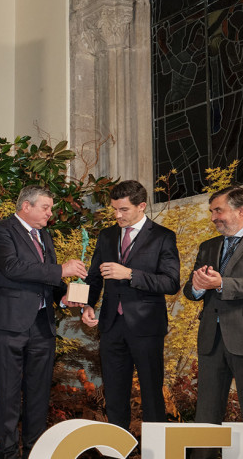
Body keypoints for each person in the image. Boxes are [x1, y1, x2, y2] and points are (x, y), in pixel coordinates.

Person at [0, 185, 86, 459]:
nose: (50, 213)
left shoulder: (44, 236)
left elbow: (46, 279)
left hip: (42, 324)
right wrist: (61, 270)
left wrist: (64, 297)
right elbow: (12, 267)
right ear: (26, 206)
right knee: (8, 392)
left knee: (39, 393)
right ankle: (7, 452)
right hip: (10, 323)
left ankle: (35, 451)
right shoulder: (1, 230)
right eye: (46, 208)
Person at [185, 186, 243, 459]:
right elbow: (191, 290)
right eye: (212, 211)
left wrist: (223, 283)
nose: (213, 217)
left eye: (218, 210)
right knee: (206, 415)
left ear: (241, 210)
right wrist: (198, 287)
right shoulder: (208, 246)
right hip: (211, 340)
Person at [77, 180, 179, 430]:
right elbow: (94, 276)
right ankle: (118, 450)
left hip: (146, 327)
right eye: (114, 209)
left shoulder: (163, 237)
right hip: (111, 326)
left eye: (123, 210)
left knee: (152, 394)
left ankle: (157, 453)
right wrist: (87, 305)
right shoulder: (107, 235)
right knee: (113, 393)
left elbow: (171, 282)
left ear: (142, 206)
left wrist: (130, 274)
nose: (117, 215)